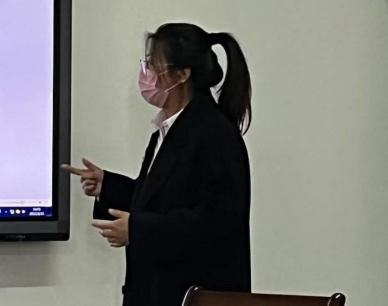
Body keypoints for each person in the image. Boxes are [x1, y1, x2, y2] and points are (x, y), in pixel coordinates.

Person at [62, 23, 252, 306]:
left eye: (154, 65)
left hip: (192, 293)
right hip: (157, 289)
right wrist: (108, 186)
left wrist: (138, 230)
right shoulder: (166, 131)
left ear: (183, 74)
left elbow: (217, 221)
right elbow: (163, 199)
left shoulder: (215, 134)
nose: (147, 73)